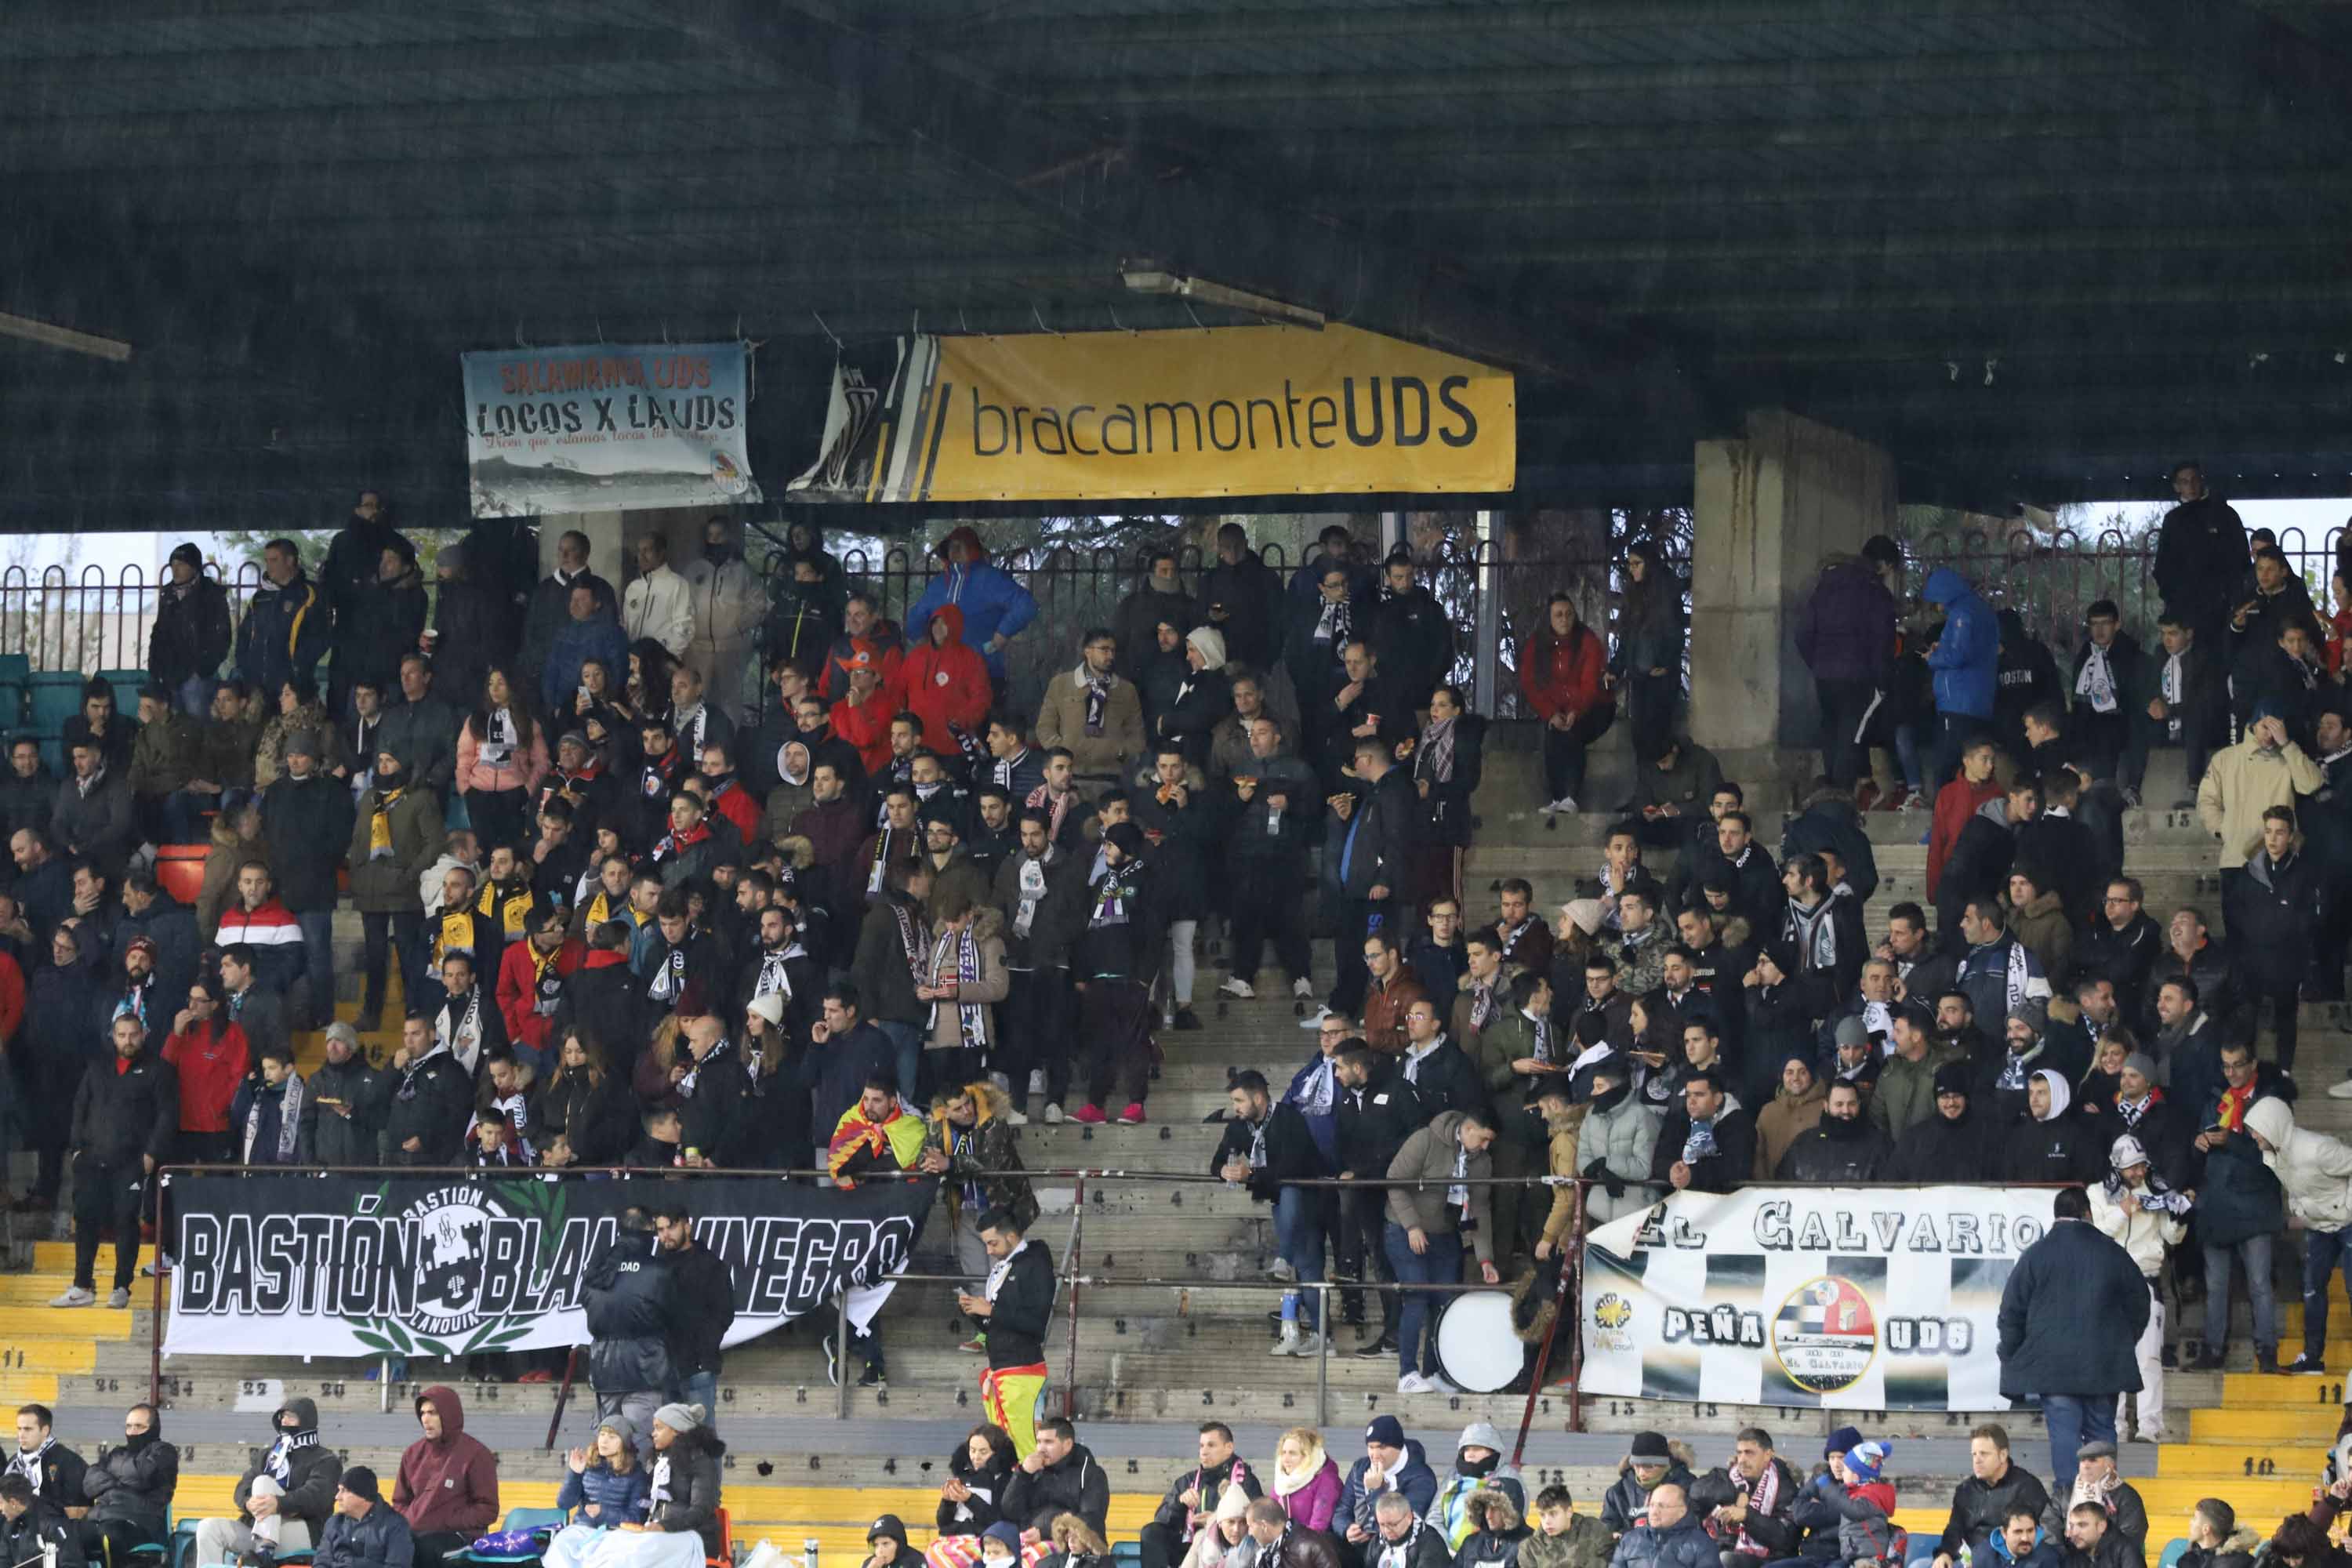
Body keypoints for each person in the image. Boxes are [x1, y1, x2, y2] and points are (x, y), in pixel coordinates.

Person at [1997, 1187, 2149, 1486]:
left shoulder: (2035, 1255)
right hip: (2103, 1364)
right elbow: (2140, 1302)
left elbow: (2011, 1312)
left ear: (2055, 1217)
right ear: (2088, 1213)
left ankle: (2071, 1504)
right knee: (2102, 1431)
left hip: (2054, 1369)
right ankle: (2103, 1503)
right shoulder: (2112, 1251)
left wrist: (2012, 1353)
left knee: (2065, 1435)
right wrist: (2123, 1341)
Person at [51, 1013, 176, 1309]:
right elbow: (80, 1106)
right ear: (113, 1036)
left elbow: (167, 1115)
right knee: (86, 1220)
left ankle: (121, 1286)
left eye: (133, 1034)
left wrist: (151, 1154)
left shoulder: (159, 1070)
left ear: (143, 1034)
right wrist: (77, 1149)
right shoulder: (97, 1068)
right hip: (92, 1160)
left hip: (130, 1162)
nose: (128, 1040)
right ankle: (82, 1286)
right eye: (122, 1035)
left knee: (126, 1222)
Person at [1385, 1108, 1503, 1392]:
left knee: (1446, 1301)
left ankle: (1434, 1371)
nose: (1486, 1147)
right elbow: (1395, 1181)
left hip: (1446, 1233)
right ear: (1470, 1129)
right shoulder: (1425, 1140)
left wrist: (1485, 1259)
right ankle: (1407, 1373)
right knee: (1417, 1294)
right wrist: (1412, 1226)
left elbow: (1480, 1209)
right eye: (1484, 1139)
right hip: (1404, 1229)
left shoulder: (1481, 1162)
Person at [1795, 537, 1900, 792]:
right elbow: (1883, 642)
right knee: (1853, 736)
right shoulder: (1876, 592)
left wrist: (1818, 663)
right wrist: (1882, 680)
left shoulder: (1825, 587)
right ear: (1884, 564)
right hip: (1860, 677)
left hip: (1825, 675)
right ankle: (1839, 795)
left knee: (1831, 730)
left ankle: (1830, 789)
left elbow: (1803, 634)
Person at [2190, 1103, 2286, 1374]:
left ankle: (2267, 1353)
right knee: (2216, 1287)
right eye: (2226, 1065)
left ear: (2252, 1065)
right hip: (2216, 1211)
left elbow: (2272, 1158)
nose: (2231, 1072)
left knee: (2259, 1284)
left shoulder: (2268, 1097)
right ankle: (2212, 1351)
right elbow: (2196, 1163)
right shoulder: (2214, 1099)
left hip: (2255, 1213)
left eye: (2237, 1064)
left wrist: (2231, 1140)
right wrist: (2198, 1144)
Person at [582, 1207, 677, 1455]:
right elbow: (675, 1316)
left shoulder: (598, 1271)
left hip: (604, 1370)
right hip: (646, 1370)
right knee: (645, 1446)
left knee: (608, 1447)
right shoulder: (659, 1270)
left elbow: (589, 1308)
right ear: (648, 1231)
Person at [1518, 593, 1612, 821]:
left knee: (1572, 733)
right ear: (1549, 618)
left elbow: (1589, 684)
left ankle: (1570, 797)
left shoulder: (1587, 641)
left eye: (1569, 614)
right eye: (1558, 615)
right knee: (1553, 735)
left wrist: (1574, 711)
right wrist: (1550, 713)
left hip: (1595, 706)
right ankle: (1556, 797)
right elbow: (1531, 683)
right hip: (1557, 709)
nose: (1564, 620)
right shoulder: (1537, 644)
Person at [913, 528, 1039, 687]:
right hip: (941, 675)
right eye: (952, 547)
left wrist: (1003, 633)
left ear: (973, 550)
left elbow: (1027, 604)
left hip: (985, 672)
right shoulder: (939, 584)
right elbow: (916, 617)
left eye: (961, 546)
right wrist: (921, 642)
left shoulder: (990, 578)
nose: (955, 551)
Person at [390, 1388, 497, 1568]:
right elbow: (399, 1502)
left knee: (423, 1549)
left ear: (449, 1414)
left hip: (458, 1537)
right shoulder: (412, 1453)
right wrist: (412, 1520)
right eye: (422, 1413)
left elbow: (488, 1509)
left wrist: (445, 1521)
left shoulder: (476, 1454)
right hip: (416, 1534)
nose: (425, 1419)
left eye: (432, 1413)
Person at [1142, 1425, 1263, 1568]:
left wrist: (1215, 1520)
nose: (1204, 1452)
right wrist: (1180, 1503)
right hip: (1188, 1546)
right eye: (1201, 1446)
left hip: (1225, 1549)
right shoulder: (1187, 1481)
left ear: (1229, 1448)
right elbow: (1161, 1519)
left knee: (1204, 1536)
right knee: (1151, 1532)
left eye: (1211, 1445)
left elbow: (1256, 1523)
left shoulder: (1245, 1481)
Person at [2154, 463, 2248, 647]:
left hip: (2220, 612)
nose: (2190, 486)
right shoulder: (2173, 521)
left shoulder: (2225, 515)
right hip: (2184, 612)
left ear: (2202, 481)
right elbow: (2162, 567)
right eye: (2184, 481)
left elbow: (2241, 561)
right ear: (2176, 487)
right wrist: (2174, 599)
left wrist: (2230, 598)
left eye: (2194, 480)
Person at [1929, 1427, 2049, 1568]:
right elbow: (1955, 1530)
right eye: (1974, 1454)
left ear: (2003, 1455)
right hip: (1968, 1561)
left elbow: (2036, 1537)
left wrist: (1984, 1559)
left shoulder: (2027, 1487)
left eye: (1984, 1454)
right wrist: (1945, 1553)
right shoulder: (1966, 1490)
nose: (1977, 1460)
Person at [1336, 1417, 1438, 1568]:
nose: (1375, 1454)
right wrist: (1346, 1529)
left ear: (1398, 1447)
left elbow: (1406, 1525)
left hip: (1400, 1548)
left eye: (1382, 1447)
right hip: (1360, 1545)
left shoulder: (1421, 1476)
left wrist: (1376, 1491)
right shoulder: (1360, 1468)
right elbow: (1342, 1510)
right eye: (1371, 1447)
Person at [234, 539, 328, 700]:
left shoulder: (309, 594)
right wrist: (246, 672)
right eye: (267, 561)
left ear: (290, 560)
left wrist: (297, 669)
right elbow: (244, 637)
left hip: (293, 688)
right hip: (257, 688)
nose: (269, 566)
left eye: (274, 560)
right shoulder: (259, 597)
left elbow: (321, 637)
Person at [1002, 1419, 1111, 1545]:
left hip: (1069, 1548)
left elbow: (1090, 1520)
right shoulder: (1034, 1472)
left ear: (1067, 1445)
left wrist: (1045, 1533)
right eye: (1039, 1442)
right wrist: (1022, 1474)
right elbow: (1010, 1511)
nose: (1041, 1449)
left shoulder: (1091, 1475)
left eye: (1048, 1442)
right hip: (1028, 1543)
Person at [552, 1415, 652, 1546]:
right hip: (582, 1529)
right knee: (561, 1545)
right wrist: (575, 1474)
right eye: (602, 1434)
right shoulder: (588, 1465)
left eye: (612, 1437)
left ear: (624, 1442)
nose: (604, 1441)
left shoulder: (637, 1475)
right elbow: (564, 1504)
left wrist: (603, 1513)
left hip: (616, 1534)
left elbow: (637, 1519)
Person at [1424, 1422, 1523, 1552]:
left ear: (1492, 1450)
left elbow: (1515, 1518)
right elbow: (1434, 1517)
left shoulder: (1509, 1476)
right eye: (1467, 1449)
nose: (1470, 1454)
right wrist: (1447, 1549)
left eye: (1476, 1449)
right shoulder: (1453, 1475)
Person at [1607, 1484, 1712, 1568]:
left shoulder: (1702, 1544)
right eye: (1652, 1505)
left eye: (1662, 1506)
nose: (1654, 1512)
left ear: (1682, 1511)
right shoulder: (1629, 1540)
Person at [0, 1475, 84, 1568]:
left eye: (1, 1503)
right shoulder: (9, 1525)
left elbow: (73, 1563)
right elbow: (4, 1561)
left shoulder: (51, 1522)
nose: (0, 1509)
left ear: (13, 1503)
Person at [1271, 1431, 1341, 1538]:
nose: (1285, 1459)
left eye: (1292, 1453)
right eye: (1283, 1452)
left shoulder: (1327, 1481)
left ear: (1308, 1456)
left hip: (1314, 1547)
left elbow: (1318, 1528)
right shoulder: (1282, 1481)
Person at [2176, 1502, 2257, 1568]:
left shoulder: (2236, 1563)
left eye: (2195, 1518)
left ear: (2206, 1529)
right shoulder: (2190, 1558)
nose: (2191, 1522)